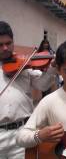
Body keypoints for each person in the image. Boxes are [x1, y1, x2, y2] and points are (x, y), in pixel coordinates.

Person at [0, 21, 57, 159]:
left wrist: (52, 68)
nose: (5, 48)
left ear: (13, 41)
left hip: (22, 132)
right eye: (0, 45)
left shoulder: (24, 64)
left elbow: (42, 85)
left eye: (8, 43)